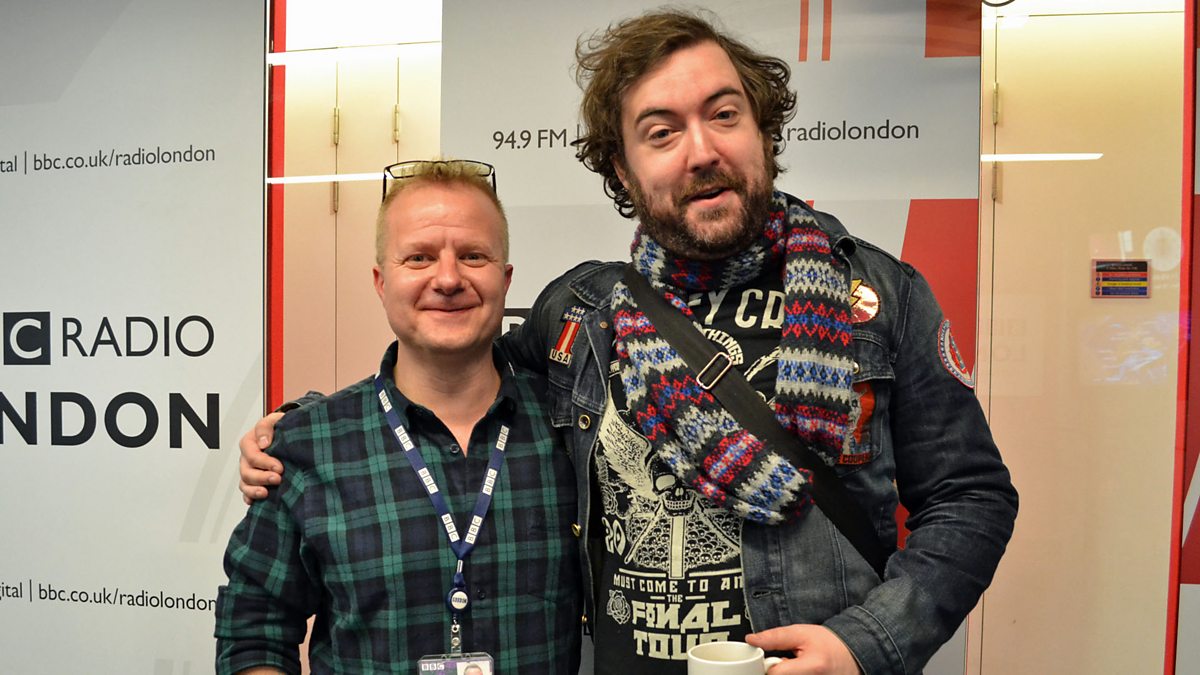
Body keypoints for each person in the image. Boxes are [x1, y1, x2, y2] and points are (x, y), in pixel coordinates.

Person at [240, 10, 1018, 674]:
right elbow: (451, 379)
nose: (701, 150)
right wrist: (299, 431)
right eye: (661, 132)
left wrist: (866, 643)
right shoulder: (581, 313)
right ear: (623, 166)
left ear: (762, 128)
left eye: (723, 114)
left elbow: (971, 497)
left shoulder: (879, 298)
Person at [216, 160, 582, 673]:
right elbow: (254, 630)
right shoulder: (306, 446)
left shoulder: (573, 432)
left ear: (505, 280)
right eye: (419, 257)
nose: (448, 279)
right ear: (381, 282)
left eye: (473, 256)